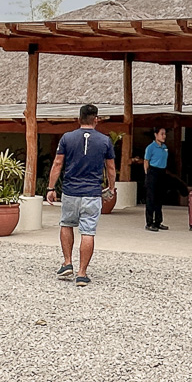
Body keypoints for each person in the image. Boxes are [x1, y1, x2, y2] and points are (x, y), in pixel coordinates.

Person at [46, 104, 116, 287]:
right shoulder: (105, 141)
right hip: (92, 193)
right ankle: (82, 273)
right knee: (88, 231)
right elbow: (110, 168)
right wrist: (111, 187)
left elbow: (57, 163)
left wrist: (50, 188)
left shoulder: (67, 138)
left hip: (70, 191)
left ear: (79, 119)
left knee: (66, 224)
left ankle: (67, 262)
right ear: (96, 119)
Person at [143, 126, 169, 231]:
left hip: (162, 172)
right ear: (156, 135)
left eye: (165, 134)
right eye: (162, 134)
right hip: (153, 171)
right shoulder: (150, 147)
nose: (164, 136)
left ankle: (158, 221)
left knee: (159, 198)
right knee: (151, 199)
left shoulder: (165, 147)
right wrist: (147, 175)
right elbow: (146, 161)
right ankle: (149, 223)